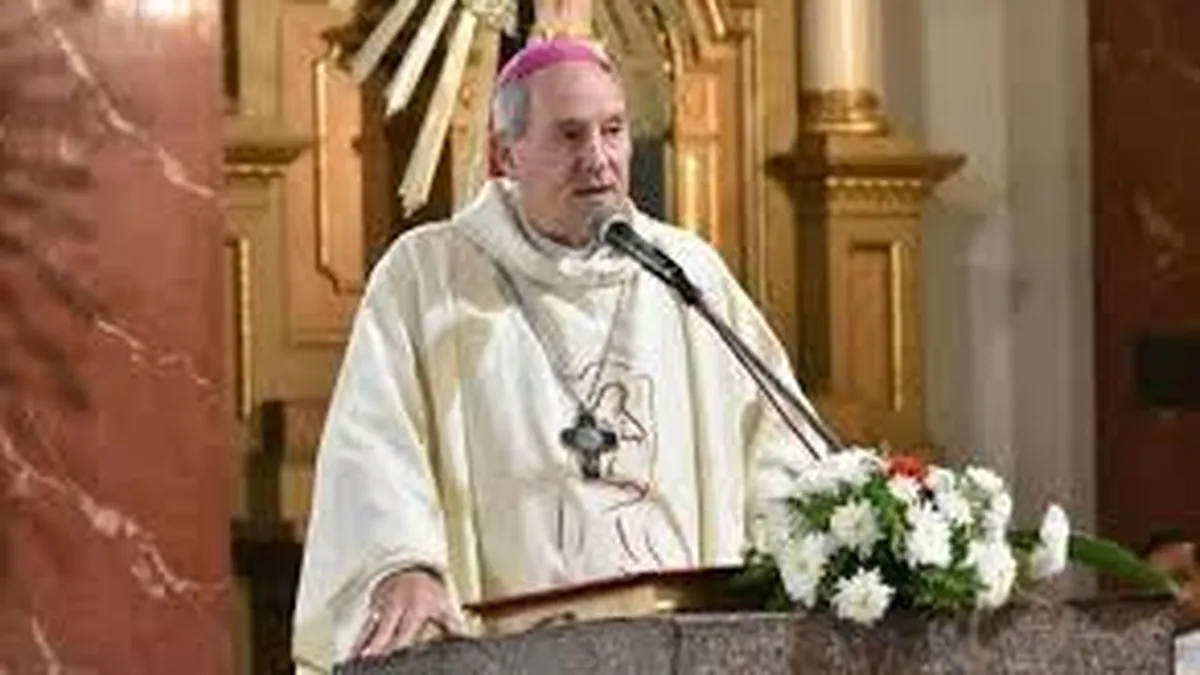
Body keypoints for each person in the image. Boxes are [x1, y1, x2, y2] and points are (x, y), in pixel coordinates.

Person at [291, 37, 830, 673]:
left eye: (613, 130)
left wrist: (815, 549)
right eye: (570, 135)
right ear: (505, 155)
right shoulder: (430, 276)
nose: (598, 159)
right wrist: (402, 563)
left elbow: (773, 445)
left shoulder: (686, 274)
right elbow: (374, 444)